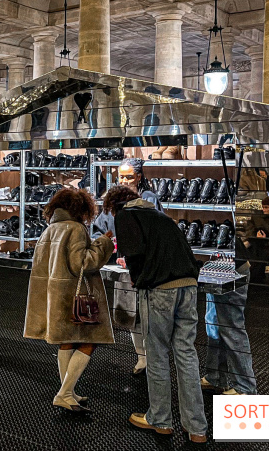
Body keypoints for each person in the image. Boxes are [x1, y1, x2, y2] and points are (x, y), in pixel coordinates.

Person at [106, 185, 207, 444]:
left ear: (115, 206)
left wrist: (137, 278)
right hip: (188, 285)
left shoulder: (125, 216)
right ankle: (196, 428)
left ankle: (160, 420)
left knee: (158, 354)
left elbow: (134, 255)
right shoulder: (161, 217)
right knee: (186, 354)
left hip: (159, 290)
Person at [23, 188, 115, 414]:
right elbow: (83, 264)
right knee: (89, 341)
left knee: (66, 341)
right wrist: (103, 244)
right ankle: (64, 393)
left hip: (56, 297)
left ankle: (68, 390)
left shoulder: (49, 230)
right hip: (75, 296)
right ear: (80, 209)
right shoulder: (75, 229)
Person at [93, 158, 162, 376]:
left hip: (145, 266)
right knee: (132, 313)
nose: (124, 180)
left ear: (139, 177)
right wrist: (107, 244)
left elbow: (157, 234)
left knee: (149, 314)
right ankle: (142, 358)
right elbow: (97, 230)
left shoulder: (150, 200)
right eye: (121, 176)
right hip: (121, 267)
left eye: (129, 176)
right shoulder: (111, 202)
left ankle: (153, 358)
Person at [201, 235, 257, 396]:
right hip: (218, 268)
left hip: (229, 269)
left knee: (231, 328)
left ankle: (245, 388)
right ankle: (216, 377)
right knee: (215, 324)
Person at [243, 196, 269, 285]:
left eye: (266, 207)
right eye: (263, 207)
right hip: (260, 245)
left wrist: (267, 239)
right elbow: (250, 229)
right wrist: (256, 235)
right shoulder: (257, 217)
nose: (264, 210)